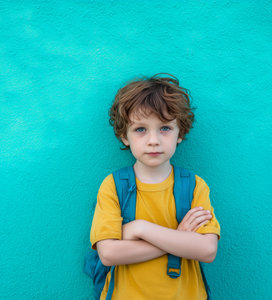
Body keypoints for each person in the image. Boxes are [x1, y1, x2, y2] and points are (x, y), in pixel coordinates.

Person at [89, 74, 221, 299]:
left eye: (165, 128)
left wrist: (140, 229)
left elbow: (207, 250)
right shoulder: (113, 186)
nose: (153, 140)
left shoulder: (194, 185)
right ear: (124, 136)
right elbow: (108, 254)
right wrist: (179, 237)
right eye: (140, 129)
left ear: (181, 133)